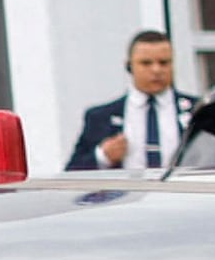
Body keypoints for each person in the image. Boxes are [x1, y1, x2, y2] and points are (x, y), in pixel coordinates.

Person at [68, 29, 197, 174]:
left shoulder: (198, 111)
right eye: (146, 63)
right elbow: (71, 173)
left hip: (183, 194)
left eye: (164, 63)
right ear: (129, 66)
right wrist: (103, 156)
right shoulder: (101, 117)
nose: (156, 70)